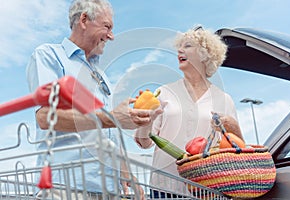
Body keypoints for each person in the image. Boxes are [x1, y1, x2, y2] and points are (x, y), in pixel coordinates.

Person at [26, 0, 159, 199]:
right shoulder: (49, 56)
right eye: (107, 26)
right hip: (65, 187)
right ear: (84, 20)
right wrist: (111, 118)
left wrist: (124, 170)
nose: (112, 36)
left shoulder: (100, 75)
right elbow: (45, 116)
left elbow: (105, 133)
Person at [134, 26, 244, 198]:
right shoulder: (164, 92)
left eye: (188, 46)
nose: (180, 50)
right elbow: (144, 143)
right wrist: (145, 121)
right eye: (180, 46)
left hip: (207, 189)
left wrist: (232, 125)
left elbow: (236, 146)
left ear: (205, 54)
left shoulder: (224, 99)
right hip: (165, 188)